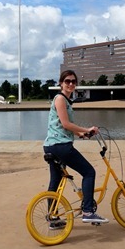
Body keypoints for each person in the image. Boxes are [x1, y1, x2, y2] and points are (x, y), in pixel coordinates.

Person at [43, 69, 109, 229]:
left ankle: (53, 218)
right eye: (67, 81)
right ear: (61, 83)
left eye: (73, 81)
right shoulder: (60, 99)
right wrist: (86, 129)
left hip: (52, 145)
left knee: (55, 182)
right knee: (89, 172)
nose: (71, 84)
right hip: (61, 147)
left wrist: (82, 134)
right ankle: (87, 212)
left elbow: (63, 127)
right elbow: (66, 124)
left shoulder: (64, 100)